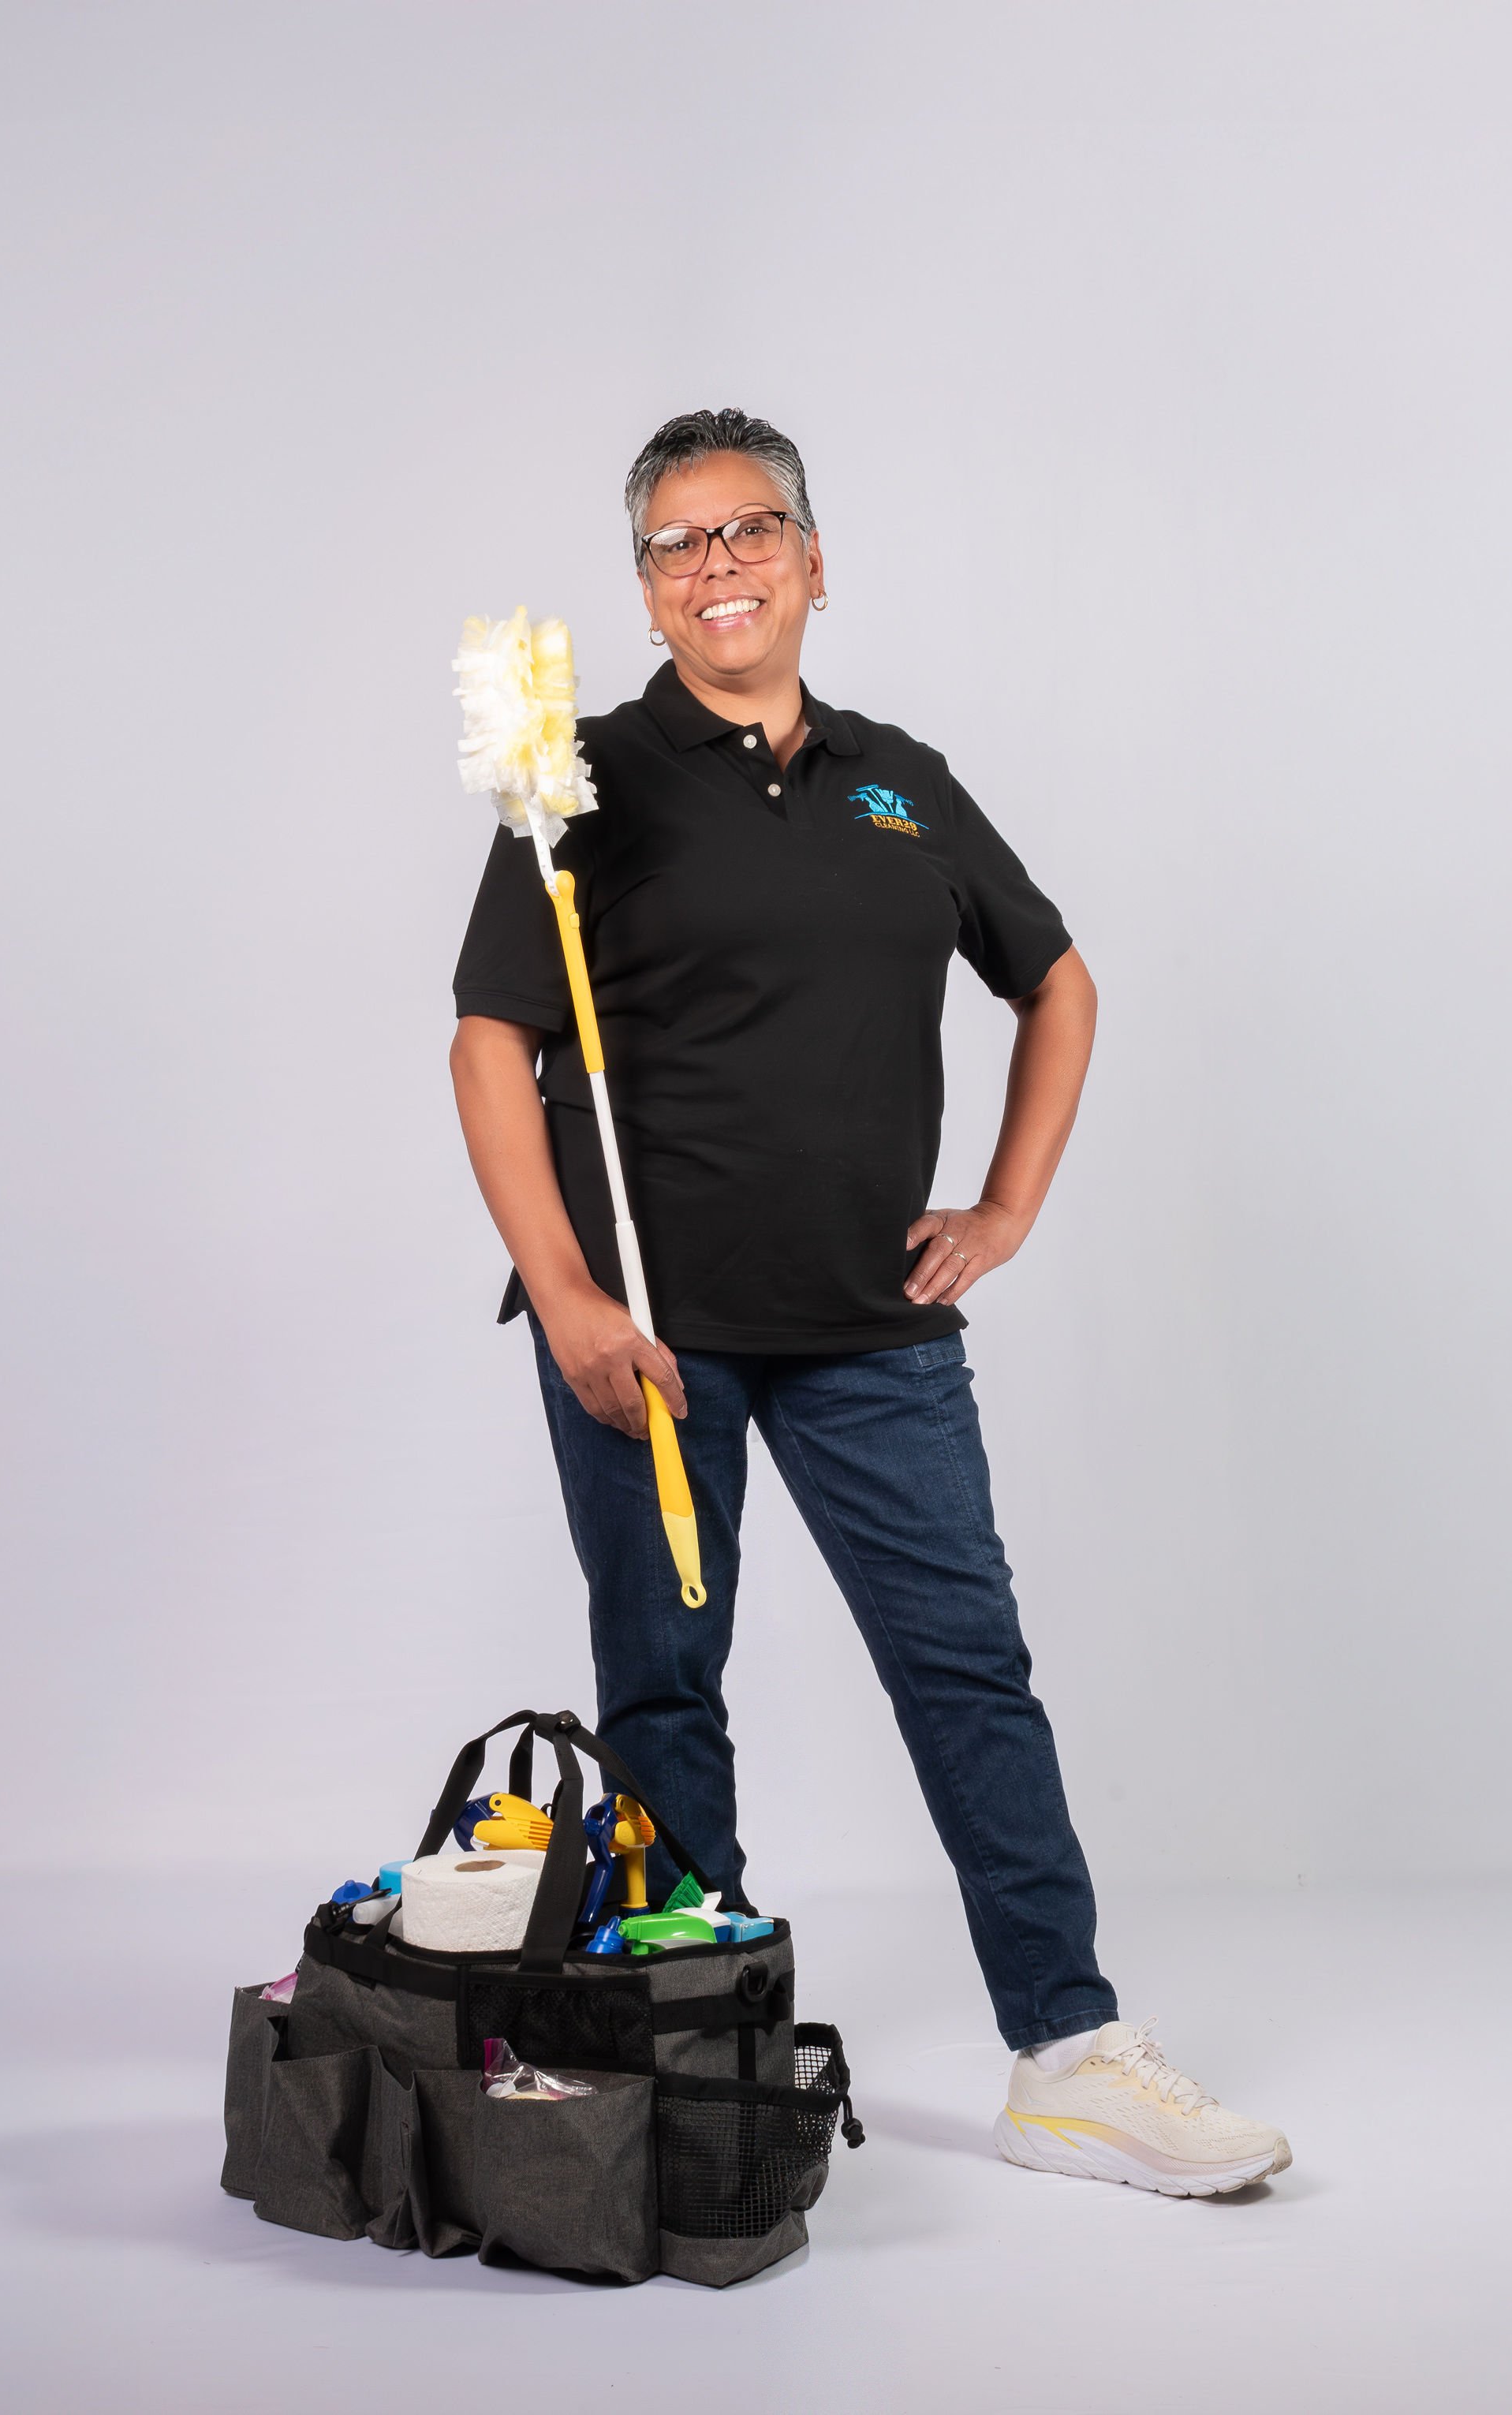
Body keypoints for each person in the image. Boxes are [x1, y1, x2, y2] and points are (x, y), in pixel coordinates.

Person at [450, 407, 1290, 2197]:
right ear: (650, 593)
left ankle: (1069, 2051)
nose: (721, 561)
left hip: (870, 1328)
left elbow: (1054, 981)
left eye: (752, 528)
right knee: (664, 1685)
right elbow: (489, 1046)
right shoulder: (574, 779)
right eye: (679, 543)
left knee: (967, 1671)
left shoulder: (901, 779)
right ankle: (701, 2038)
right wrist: (571, 1298)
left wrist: (1003, 1205)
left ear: (814, 561)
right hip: (652, 1339)